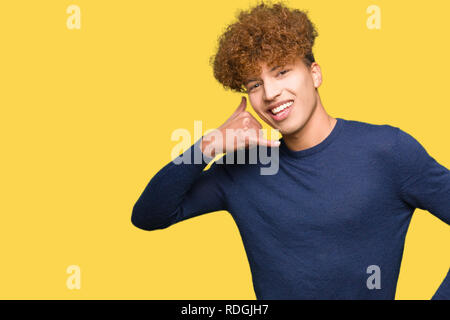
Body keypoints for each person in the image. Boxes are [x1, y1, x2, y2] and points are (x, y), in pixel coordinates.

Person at [131, 1, 449, 299]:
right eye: (254, 84)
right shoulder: (243, 169)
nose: (270, 93)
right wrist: (207, 145)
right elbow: (149, 215)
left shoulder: (388, 151)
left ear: (315, 74)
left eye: (281, 71)